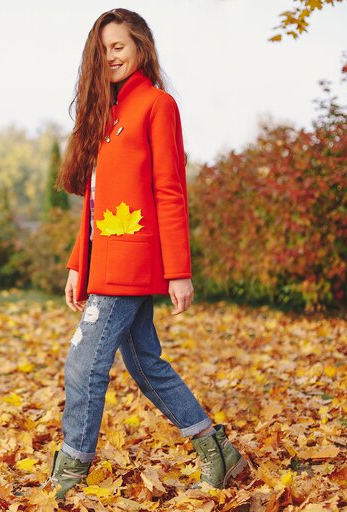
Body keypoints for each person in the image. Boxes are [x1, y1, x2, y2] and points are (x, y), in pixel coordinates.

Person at [41, 8, 249, 501]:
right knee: (145, 363)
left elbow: (169, 190)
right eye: (103, 48)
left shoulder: (157, 105)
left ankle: (69, 477)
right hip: (103, 259)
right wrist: (78, 261)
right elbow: (94, 201)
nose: (110, 56)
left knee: (83, 362)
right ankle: (218, 451)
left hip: (132, 264)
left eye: (119, 46)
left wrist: (179, 271)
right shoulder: (103, 111)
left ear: (140, 47)